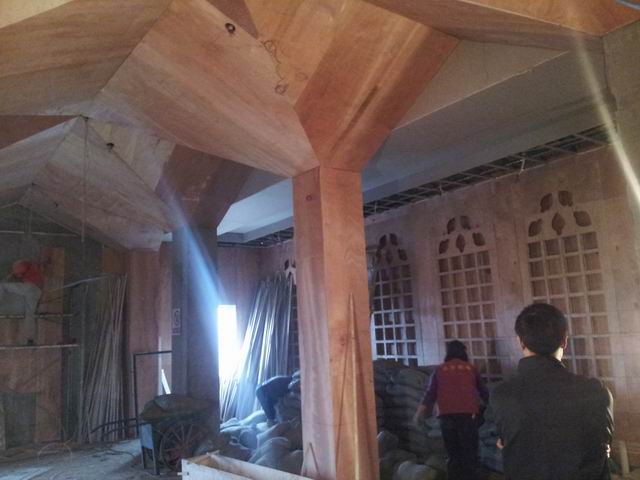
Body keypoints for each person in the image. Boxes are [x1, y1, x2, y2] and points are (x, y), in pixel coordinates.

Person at [490, 303, 613, 480]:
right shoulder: (595, 392)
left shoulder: (502, 395)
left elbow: (507, 441)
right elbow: (604, 443)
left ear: (520, 342)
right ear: (564, 340)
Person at [414, 340, 489, 480]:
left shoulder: (439, 370)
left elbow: (430, 393)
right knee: (469, 453)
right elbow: (484, 392)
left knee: (453, 454)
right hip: (468, 416)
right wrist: (493, 408)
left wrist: (419, 413)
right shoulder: (471, 368)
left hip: (446, 417)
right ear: (463, 352)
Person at [0, 260, 44, 345]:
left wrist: (11, 275)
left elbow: (18, 272)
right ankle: (30, 339)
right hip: (37, 291)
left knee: (2, 286)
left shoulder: (20, 264)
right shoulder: (33, 269)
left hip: (30, 287)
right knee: (30, 314)